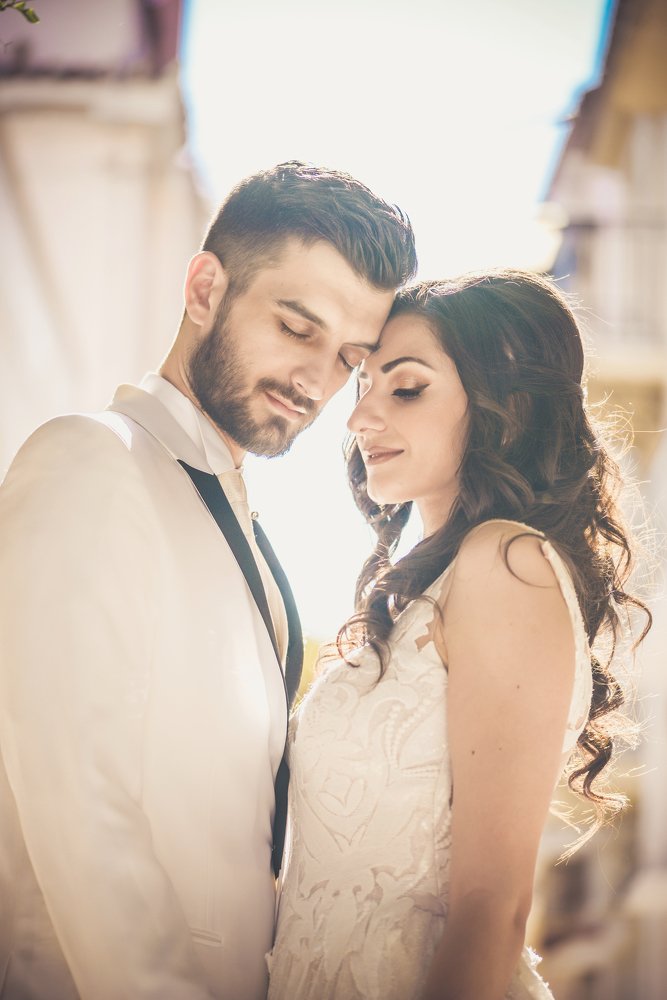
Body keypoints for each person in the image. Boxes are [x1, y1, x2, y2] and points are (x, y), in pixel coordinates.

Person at [0, 161, 417, 1000]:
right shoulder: (90, 458)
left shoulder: (248, 532)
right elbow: (79, 803)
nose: (317, 382)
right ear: (203, 288)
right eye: (296, 328)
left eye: (347, 359)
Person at [267, 270, 651, 1000]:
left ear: (503, 408)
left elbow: (493, 910)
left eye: (405, 388)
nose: (360, 419)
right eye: (362, 387)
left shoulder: (504, 564)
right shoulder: (420, 585)